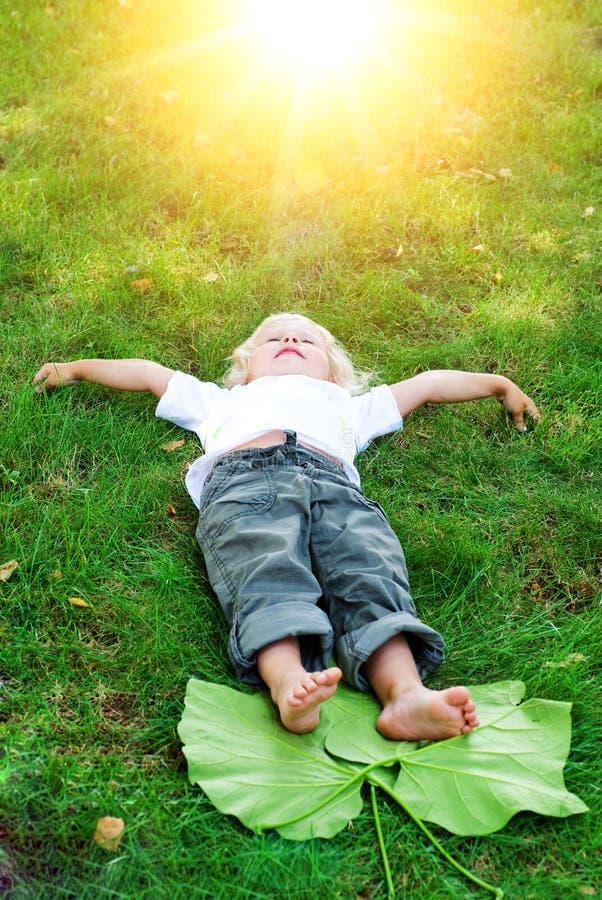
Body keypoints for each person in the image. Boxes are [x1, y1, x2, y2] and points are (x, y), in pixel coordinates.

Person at [33, 312, 539, 741]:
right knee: (266, 570)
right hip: (247, 486)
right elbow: (147, 373)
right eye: (274, 338)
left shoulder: (352, 405)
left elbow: (429, 384)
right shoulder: (220, 400)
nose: (290, 340)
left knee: (370, 571)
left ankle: (405, 695)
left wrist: (497, 385)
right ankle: (288, 682)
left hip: (338, 492)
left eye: (307, 339)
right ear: (246, 368)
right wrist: (74, 369)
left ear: (334, 372)